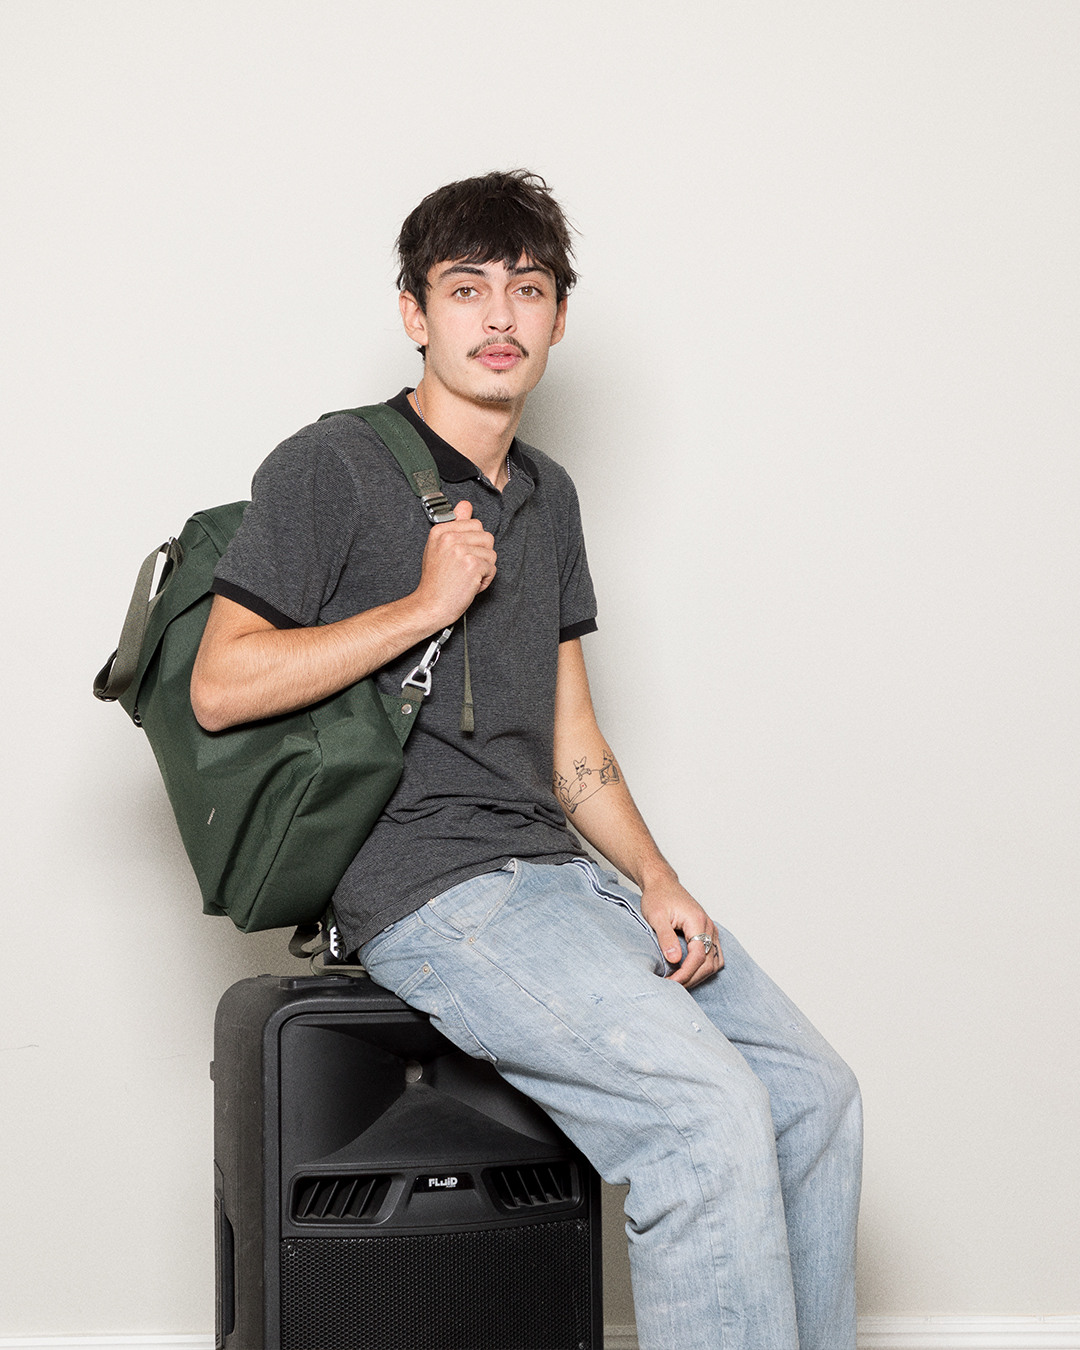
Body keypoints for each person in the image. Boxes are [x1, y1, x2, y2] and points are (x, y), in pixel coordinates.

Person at [190, 169, 862, 1350]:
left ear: (558, 317)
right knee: (703, 1119)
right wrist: (423, 605)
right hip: (432, 890)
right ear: (415, 312)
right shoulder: (333, 464)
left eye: (528, 289)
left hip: (561, 882)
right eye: (467, 290)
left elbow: (572, 741)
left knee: (814, 1095)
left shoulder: (548, 496)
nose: (499, 317)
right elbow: (220, 684)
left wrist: (656, 879)